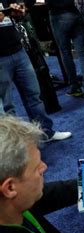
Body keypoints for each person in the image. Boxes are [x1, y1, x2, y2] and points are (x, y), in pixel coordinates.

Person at [0, 1, 71, 142]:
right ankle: (14, 146)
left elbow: (16, 14)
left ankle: (45, 133)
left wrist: (18, 12)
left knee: (33, 95)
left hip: (18, 50)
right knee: (6, 105)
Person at [45, 0, 84, 101]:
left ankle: (75, 87)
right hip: (75, 13)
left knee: (65, 52)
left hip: (58, 15)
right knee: (82, 53)